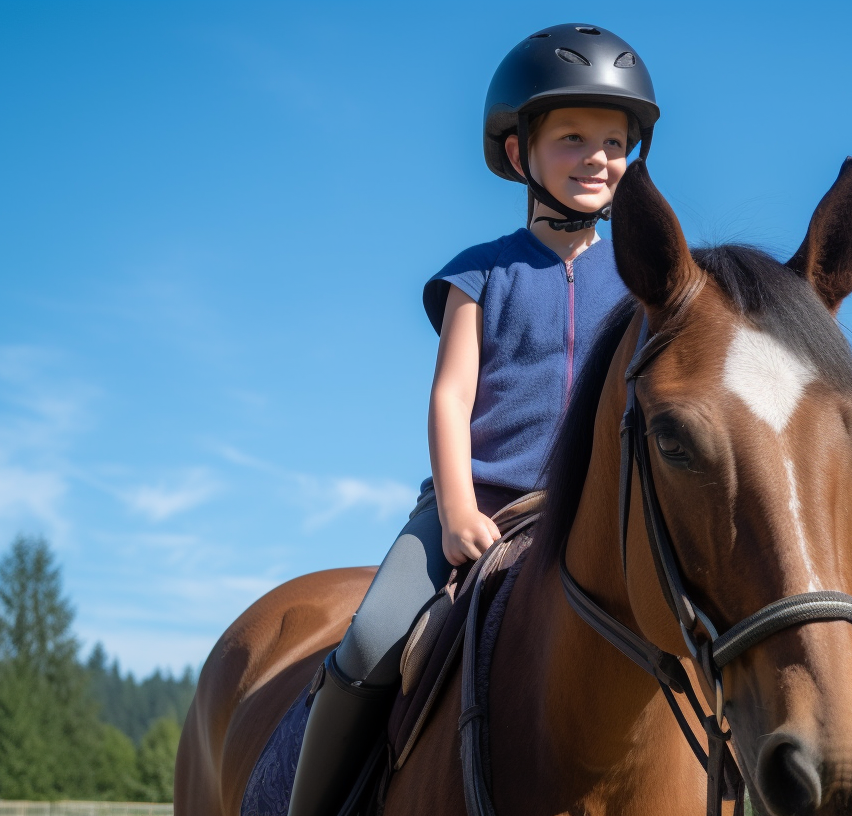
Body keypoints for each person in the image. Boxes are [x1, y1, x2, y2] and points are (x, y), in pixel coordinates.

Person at [285, 23, 660, 816]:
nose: (598, 157)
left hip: (591, 516)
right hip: (479, 506)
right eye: (573, 138)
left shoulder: (639, 285)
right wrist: (455, 510)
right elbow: (451, 397)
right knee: (371, 641)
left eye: (615, 142)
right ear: (521, 153)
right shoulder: (478, 273)